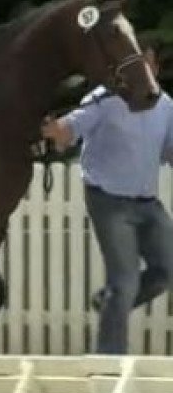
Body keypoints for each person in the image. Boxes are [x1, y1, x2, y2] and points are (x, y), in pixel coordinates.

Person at [41, 51, 173, 354]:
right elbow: (69, 129)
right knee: (125, 281)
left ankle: (109, 300)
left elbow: (170, 150)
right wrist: (56, 130)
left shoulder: (165, 106)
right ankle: (109, 360)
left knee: (166, 271)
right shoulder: (103, 100)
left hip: (147, 202)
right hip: (108, 199)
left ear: (154, 69)